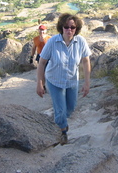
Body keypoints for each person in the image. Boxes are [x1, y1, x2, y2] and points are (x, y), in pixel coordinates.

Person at [36, 13, 91, 145]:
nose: (69, 30)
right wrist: (40, 83)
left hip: (72, 81)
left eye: (72, 27)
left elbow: (86, 61)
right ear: (61, 27)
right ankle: (62, 132)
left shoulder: (81, 42)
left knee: (71, 108)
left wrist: (87, 83)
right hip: (54, 80)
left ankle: (59, 122)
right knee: (60, 110)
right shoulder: (53, 42)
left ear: (76, 28)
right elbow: (42, 63)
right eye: (66, 27)